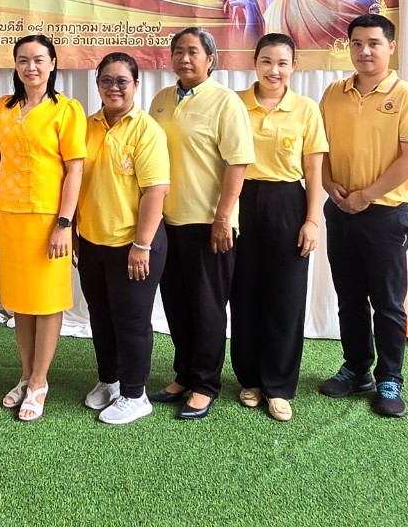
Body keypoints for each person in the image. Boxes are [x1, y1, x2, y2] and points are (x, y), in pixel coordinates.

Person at [317, 13, 408, 419]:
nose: (364, 51)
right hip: (340, 210)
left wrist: (366, 195)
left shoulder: (407, 96)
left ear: (391, 47)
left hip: (386, 214)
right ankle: (356, 368)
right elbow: (319, 149)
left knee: (387, 302)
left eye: (374, 43)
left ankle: (390, 379)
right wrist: (330, 185)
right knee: (349, 298)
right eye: (357, 43)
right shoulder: (333, 93)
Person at [148, 27, 254, 420]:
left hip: (209, 222)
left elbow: (238, 164)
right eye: (178, 51)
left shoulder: (226, 102)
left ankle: (206, 384)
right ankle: (185, 374)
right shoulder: (161, 100)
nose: (185, 58)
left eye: (193, 51)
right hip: (166, 221)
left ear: (211, 59)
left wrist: (223, 218)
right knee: (176, 304)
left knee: (207, 307)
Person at [230, 33, 328, 422]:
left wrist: (312, 220)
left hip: (288, 202)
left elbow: (314, 170)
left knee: (285, 298)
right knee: (244, 294)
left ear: (294, 67)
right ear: (254, 63)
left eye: (282, 63)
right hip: (242, 201)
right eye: (266, 61)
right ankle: (250, 379)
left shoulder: (306, 109)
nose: (274, 70)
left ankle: (279, 386)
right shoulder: (235, 104)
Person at [0, 34, 86, 422]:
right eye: (23, 60)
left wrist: (65, 223)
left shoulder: (67, 110)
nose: (31, 67)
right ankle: (26, 375)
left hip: (48, 219)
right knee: (20, 300)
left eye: (39, 59)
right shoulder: (4, 107)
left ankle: (41, 382)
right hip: (10, 216)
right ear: (15, 65)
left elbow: (75, 170)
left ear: (52, 64)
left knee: (46, 302)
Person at [76, 52, 170, 425]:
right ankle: (110, 379)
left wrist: (142, 245)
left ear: (135, 85)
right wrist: (76, 233)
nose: (113, 88)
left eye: (121, 81)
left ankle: (135, 394)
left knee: (131, 320)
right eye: (106, 80)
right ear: (97, 83)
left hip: (135, 245)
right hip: (92, 241)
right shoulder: (86, 126)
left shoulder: (147, 131)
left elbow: (155, 192)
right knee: (100, 316)